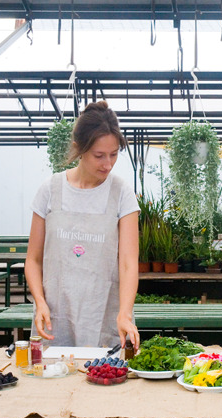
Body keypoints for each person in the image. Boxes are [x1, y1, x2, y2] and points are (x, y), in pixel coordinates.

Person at [25, 101, 140, 349]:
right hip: (55, 319)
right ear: (79, 149)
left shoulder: (122, 193)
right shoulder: (50, 190)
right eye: (99, 156)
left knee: (104, 380)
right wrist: (40, 302)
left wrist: (125, 313)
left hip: (104, 320)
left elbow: (129, 263)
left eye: (113, 154)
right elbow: (33, 260)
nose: (107, 164)